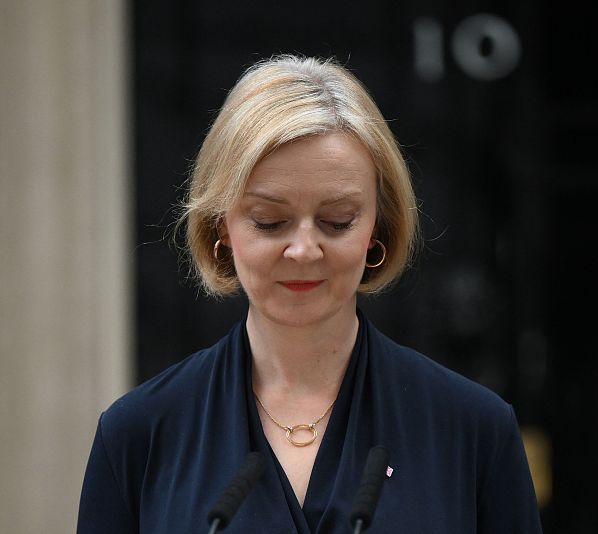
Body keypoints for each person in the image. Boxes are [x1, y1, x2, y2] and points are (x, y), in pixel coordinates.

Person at [78, 55, 543, 533]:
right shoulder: (138, 434)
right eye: (269, 221)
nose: (303, 250)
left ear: (376, 230)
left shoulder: (474, 429)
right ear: (222, 227)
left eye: (337, 221)